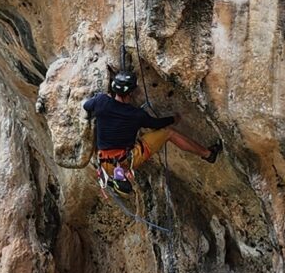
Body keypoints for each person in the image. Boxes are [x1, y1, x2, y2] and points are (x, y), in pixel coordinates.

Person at [83, 65, 219, 190]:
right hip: (125, 160)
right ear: (131, 93)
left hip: (104, 161)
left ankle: (118, 177)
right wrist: (173, 119)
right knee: (168, 133)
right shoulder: (136, 115)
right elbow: (156, 124)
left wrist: (103, 99)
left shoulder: (101, 101)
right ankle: (207, 154)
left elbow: (86, 105)